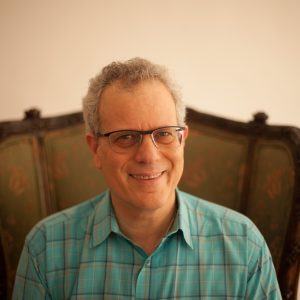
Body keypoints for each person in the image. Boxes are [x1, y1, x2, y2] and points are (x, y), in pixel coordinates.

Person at [13, 58, 282, 299]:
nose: (149, 156)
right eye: (126, 137)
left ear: (182, 140)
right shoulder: (46, 249)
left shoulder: (244, 246)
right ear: (96, 149)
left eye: (164, 133)